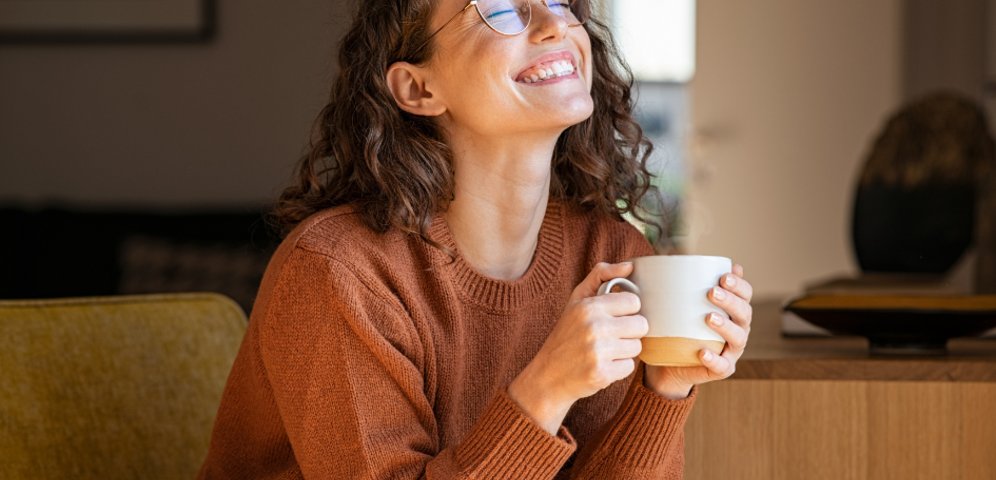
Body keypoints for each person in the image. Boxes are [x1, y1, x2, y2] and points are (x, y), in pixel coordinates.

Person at [198, 0, 754, 478]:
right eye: (501, 9)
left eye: (559, 1)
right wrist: (545, 390)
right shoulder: (339, 272)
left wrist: (664, 389)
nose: (553, 24)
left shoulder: (613, 256)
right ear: (418, 87)